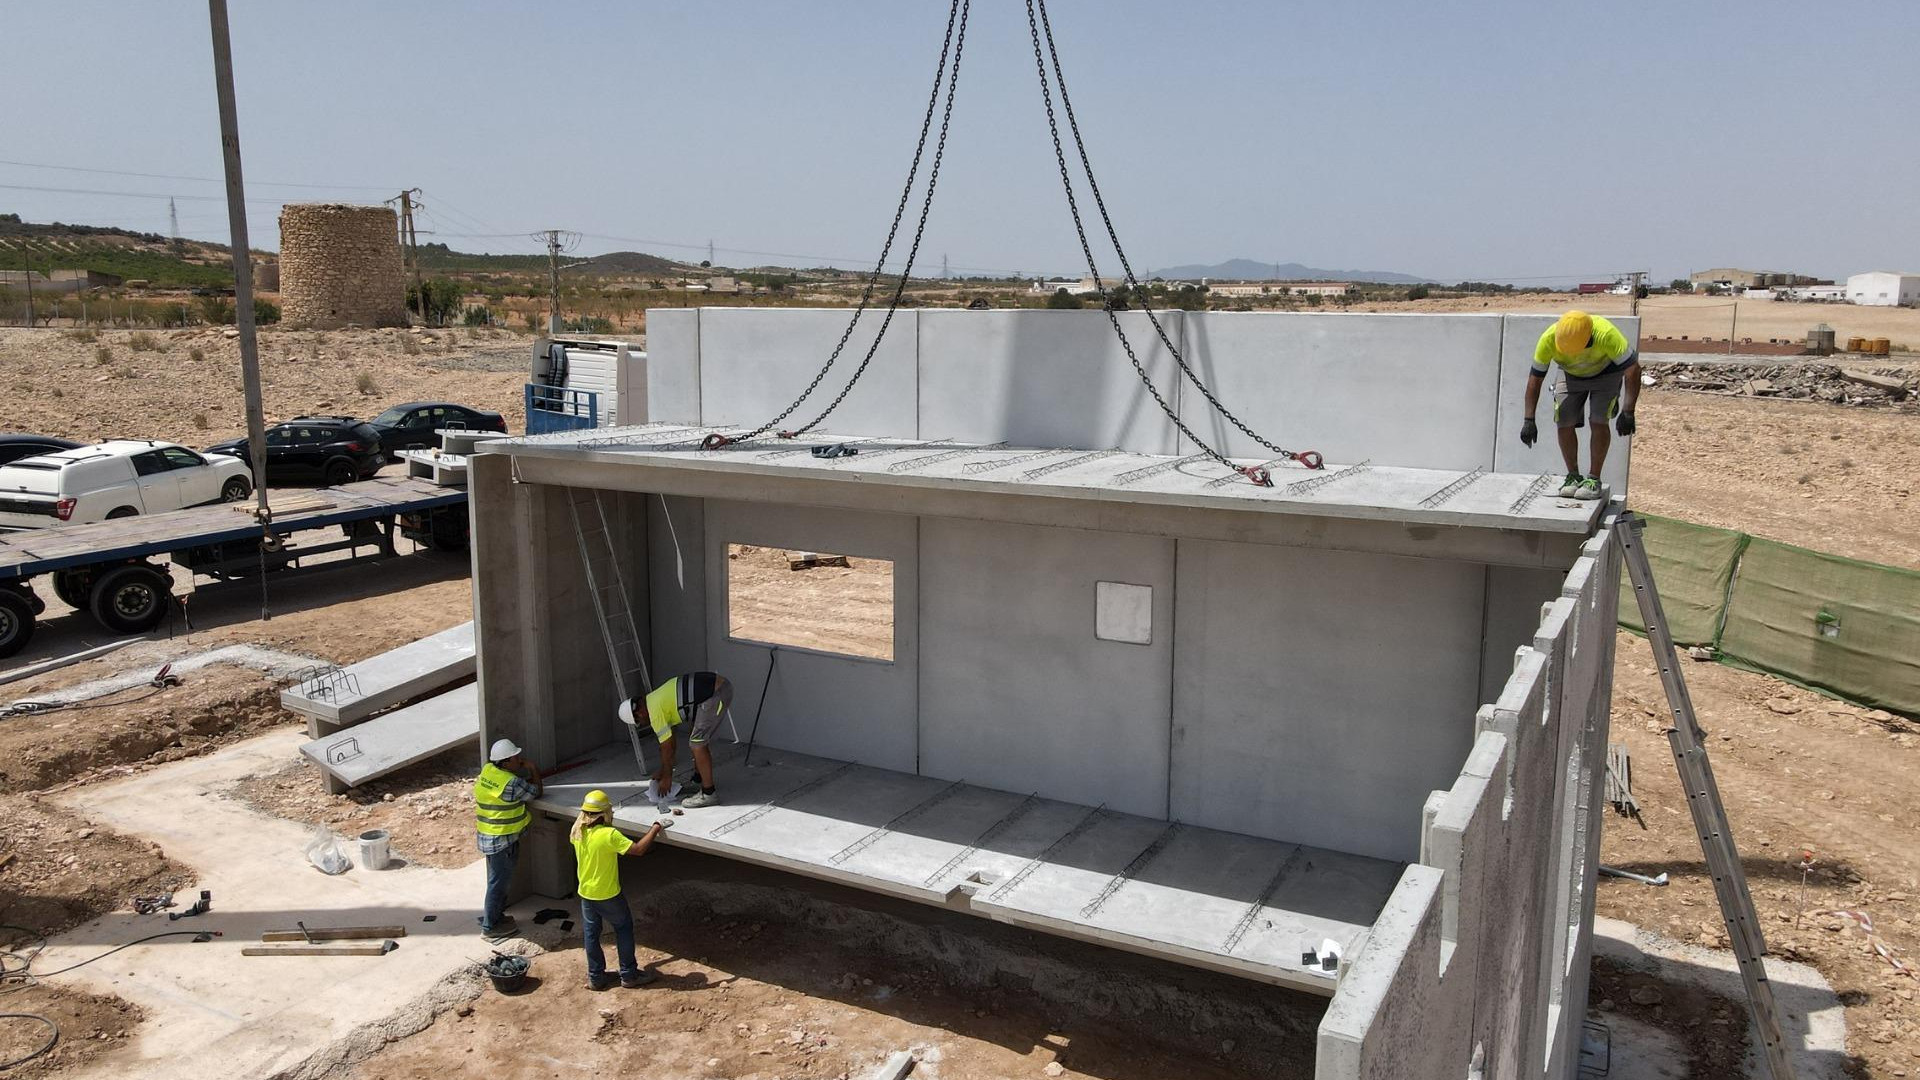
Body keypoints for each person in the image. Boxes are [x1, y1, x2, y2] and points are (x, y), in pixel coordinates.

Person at [1520, 310, 1641, 500]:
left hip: (1606, 374)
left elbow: (1633, 370)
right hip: (1569, 375)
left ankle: (1593, 479)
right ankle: (1573, 476)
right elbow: (1535, 380)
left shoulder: (1606, 333)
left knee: (1598, 420)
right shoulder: (1548, 339)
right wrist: (1529, 420)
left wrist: (1628, 411)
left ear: (1589, 338)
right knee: (1564, 420)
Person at [571, 789, 669, 990]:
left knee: (591, 934)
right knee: (623, 929)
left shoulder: (577, 832)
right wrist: (656, 827)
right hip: (607, 894)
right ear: (604, 813)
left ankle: (596, 977)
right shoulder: (609, 835)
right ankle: (629, 974)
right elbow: (638, 849)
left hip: (586, 893)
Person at [617, 672, 735, 809]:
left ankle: (709, 793)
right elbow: (670, 742)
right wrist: (663, 770)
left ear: (639, 714)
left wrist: (667, 777)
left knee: (697, 744)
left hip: (716, 694)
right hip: (718, 689)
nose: (643, 723)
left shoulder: (655, 713)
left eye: (639, 722)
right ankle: (699, 779)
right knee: (695, 734)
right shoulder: (654, 699)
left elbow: (667, 747)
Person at [473, 738, 542, 940]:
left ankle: (494, 916)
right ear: (505, 762)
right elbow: (536, 792)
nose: (519, 760)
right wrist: (533, 769)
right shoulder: (510, 783)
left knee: (496, 881)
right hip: (502, 840)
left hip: (489, 836)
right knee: (498, 884)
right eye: (515, 758)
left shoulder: (488, 771)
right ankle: (490, 926)